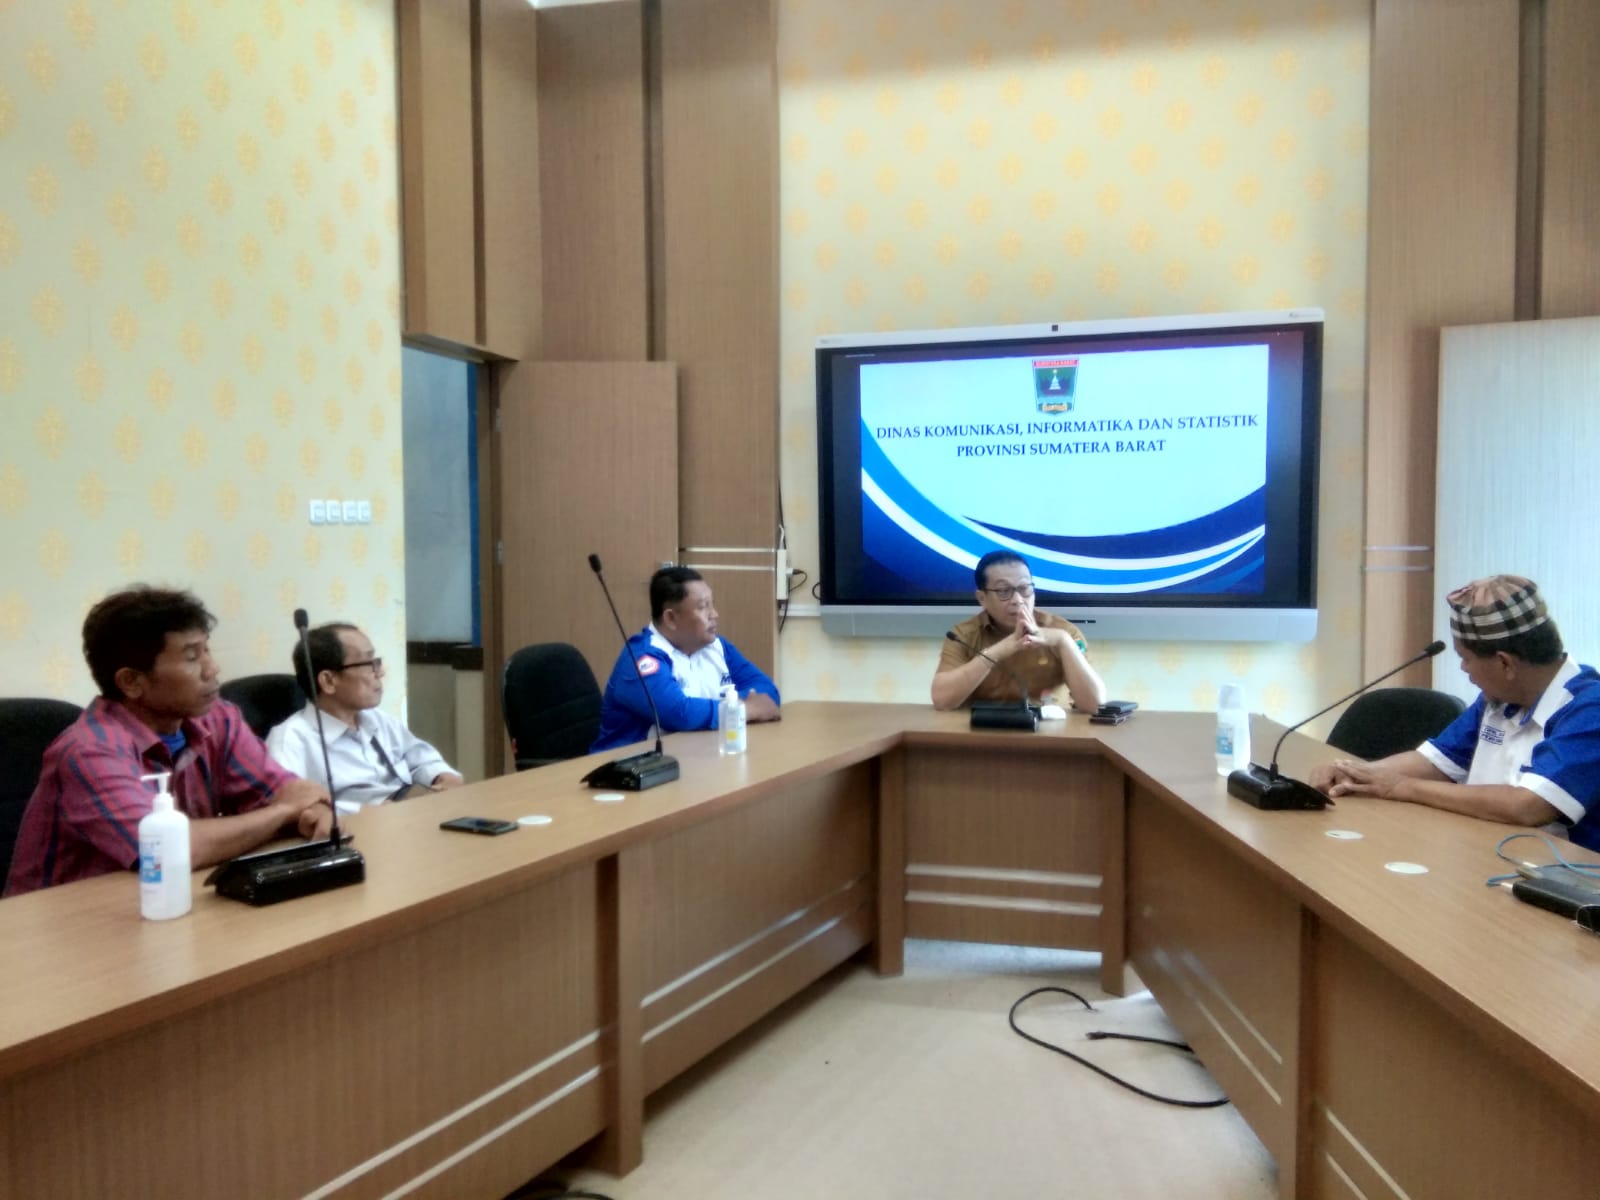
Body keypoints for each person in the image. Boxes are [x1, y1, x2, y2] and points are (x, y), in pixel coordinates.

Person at [4, 586, 333, 897]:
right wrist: (286, 811)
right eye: (192, 657)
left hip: (166, 902)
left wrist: (314, 810)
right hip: (61, 926)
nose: (212, 668)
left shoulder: (217, 719)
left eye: (207, 649)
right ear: (131, 682)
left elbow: (285, 792)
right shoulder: (88, 751)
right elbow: (168, 851)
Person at [1309, 575, 1600, 851]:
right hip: (1488, 850)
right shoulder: (1499, 699)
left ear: (1505, 663)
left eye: (1466, 659)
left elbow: (1527, 806)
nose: (1463, 669)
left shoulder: (1589, 708)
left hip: (1565, 874)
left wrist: (1401, 787)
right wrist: (1355, 773)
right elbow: (1436, 762)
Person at [266, 623, 463, 808]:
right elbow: (288, 809)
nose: (380, 672)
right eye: (369, 664)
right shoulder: (291, 740)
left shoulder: (377, 719)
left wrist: (442, 776)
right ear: (328, 681)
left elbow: (419, 757)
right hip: (357, 828)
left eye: (376, 662)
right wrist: (365, 811)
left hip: (410, 816)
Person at [591, 566, 780, 753]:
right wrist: (744, 709)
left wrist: (742, 705)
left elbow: (767, 692)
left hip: (697, 756)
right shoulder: (642, 659)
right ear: (671, 618)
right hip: (625, 765)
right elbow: (680, 714)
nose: (714, 614)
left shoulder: (716, 647)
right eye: (703, 607)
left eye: (712, 604)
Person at [932, 550, 1108, 712]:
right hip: (981, 730)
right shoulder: (963, 635)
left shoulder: (1063, 632)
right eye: (1004, 591)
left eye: (1024, 589)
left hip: (1049, 731)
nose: (1018, 600)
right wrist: (997, 651)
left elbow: (1095, 705)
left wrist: (1063, 641)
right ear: (982, 598)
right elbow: (942, 701)